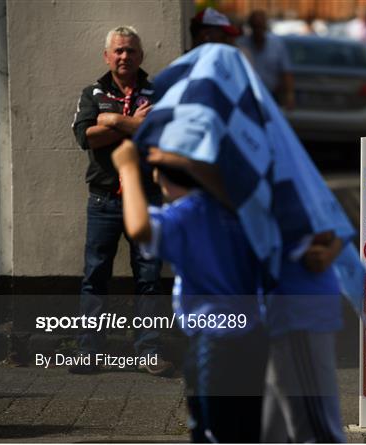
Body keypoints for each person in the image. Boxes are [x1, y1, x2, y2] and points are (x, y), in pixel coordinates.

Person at [111, 140, 267, 443]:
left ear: (161, 176)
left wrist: (128, 168)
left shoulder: (186, 215)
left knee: (213, 432)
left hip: (215, 344)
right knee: (248, 430)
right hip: (256, 338)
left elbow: (140, 228)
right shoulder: (237, 211)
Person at [71, 26, 174, 376]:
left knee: (148, 277)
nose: (124, 56)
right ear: (107, 56)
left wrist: (113, 121)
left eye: (130, 51)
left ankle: (149, 350)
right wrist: (131, 123)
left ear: (140, 56)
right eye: (118, 51)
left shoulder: (160, 92)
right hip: (103, 202)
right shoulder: (92, 93)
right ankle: (88, 351)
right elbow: (88, 138)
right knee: (95, 276)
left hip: (146, 200)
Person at [260, 232, 347, 443]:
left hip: (296, 315)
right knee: (273, 433)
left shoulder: (293, 200)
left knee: (315, 433)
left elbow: (337, 231)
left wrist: (328, 249)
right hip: (272, 316)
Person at [237, 10, 295, 109]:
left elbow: (286, 71)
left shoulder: (277, 44)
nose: (258, 30)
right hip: (248, 94)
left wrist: (289, 95)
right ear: (250, 26)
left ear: (265, 27)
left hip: (272, 94)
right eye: (255, 26)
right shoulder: (241, 44)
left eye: (260, 26)